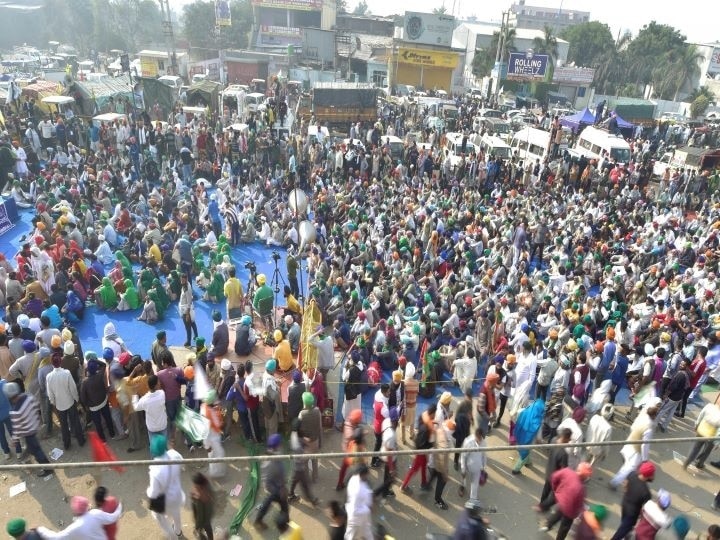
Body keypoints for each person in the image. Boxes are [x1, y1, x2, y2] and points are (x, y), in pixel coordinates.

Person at [3, 382, 52, 477]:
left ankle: (48, 469)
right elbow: (37, 406)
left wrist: (14, 440)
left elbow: (16, 429)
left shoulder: (15, 411)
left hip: (28, 433)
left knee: (37, 451)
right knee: (34, 448)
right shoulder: (28, 397)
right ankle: (34, 461)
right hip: (35, 427)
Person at [536, 462, 593, 540]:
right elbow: (579, 504)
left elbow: (554, 477)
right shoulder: (581, 489)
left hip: (561, 502)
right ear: (585, 477)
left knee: (556, 515)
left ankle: (547, 525)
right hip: (570, 512)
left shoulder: (567, 472)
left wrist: (556, 489)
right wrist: (578, 513)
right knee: (564, 527)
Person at [147, 434, 186, 538]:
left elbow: (153, 493)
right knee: (176, 514)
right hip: (177, 495)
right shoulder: (174, 454)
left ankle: (173, 537)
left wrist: (148, 491)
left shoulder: (155, 470)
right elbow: (183, 465)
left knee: (159, 518)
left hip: (165, 502)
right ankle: (178, 531)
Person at [45, 352, 85, 450]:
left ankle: (66, 444)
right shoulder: (66, 373)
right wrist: (77, 399)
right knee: (75, 421)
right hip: (70, 402)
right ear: (60, 362)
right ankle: (81, 440)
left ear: (52, 363)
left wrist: (53, 403)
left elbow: (50, 393)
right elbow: (73, 388)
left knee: (64, 425)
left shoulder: (49, 377)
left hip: (59, 405)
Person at [36, 495, 123, 539]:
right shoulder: (95, 514)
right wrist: (119, 506)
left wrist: (41, 529)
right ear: (87, 506)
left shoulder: (75, 527)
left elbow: (57, 538)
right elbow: (113, 518)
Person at [610, 461, 656, 540]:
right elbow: (645, 509)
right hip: (632, 514)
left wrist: (629, 494)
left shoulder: (632, 474)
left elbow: (625, 485)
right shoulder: (646, 492)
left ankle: (627, 535)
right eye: (653, 474)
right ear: (648, 475)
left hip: (624, 504)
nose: (654, 476)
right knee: (621, 531)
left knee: (624, 525)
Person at [254, 433, 289, 531]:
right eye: (280, 443)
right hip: (276, 487)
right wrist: (282, 488)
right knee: (283, 504)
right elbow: (279, 473)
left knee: (268, 502)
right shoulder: (274, 461)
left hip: (271, 485)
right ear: (277, 445)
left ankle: (258, 520)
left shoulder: (269, 454)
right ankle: (284, 522)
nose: (281, 445)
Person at [288, 418, 319, 506]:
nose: (303, 428)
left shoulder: (294, 433)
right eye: (301, 426)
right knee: (304, 483)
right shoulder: (296, 446)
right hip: (299, 466)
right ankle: (312, 500)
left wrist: (305, 441)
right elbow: (302, 457)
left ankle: (290, 495)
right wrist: (309, 451)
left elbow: (301, 438)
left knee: (294, 480)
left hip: (296, 465)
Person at [683, 402, 720, 470]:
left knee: (695, 448)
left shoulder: (709, 406)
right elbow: (719, 431)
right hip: (711, 435)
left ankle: (687, 462)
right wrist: (717, 442)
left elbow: (700, 416)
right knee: (706, 451)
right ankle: (699, 463)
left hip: (701, 430)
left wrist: (696, 425)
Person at [298, 391, 322, 482]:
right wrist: (320, 442)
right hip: (315, 441)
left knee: (305, 462)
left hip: (306, 443)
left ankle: (307, 478)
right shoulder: (317, 411)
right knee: (314, 460)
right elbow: (320, 428)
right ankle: (315, 478)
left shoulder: (302, 414)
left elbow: (299, 430)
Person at [344, 464, 373, 540]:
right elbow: (370, 505)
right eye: (366, 474)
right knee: (365, 531)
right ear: (363, 474)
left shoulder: (353, 479)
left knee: (350, 534)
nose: (367, 476)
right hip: (360, 514)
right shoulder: (364, 490)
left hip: (352, 512)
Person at [459, 426, 487, 500]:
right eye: (479, 438)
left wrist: (484, 466)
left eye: (481, 438)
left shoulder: (483, 442)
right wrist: (463, 469)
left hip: (477, 467)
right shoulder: (468, 442)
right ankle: (462, 487)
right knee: (463, 478)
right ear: (476, 435)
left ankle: (472, 500)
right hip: (467, 466)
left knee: (475, 484)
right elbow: (463, 456)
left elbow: (484, 455)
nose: (480, 440)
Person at [191, 472, 215, 540]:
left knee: (199, 532)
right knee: (208, 528)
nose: (194, 486)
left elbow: (200, 516)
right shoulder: (207, 485)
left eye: (195, 485)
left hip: (202, 519)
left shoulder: (199, 498)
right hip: (208, 514)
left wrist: (197, 527)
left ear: (199, 485)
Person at [179, 273, 198, 347]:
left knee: (187, 326)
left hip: (186, 310)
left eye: (183, 280)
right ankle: (196, 335)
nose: (181, 281)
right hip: (186, 308)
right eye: (181, 279)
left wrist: (187, 314)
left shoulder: (187, 289)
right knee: (192, 323)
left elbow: (189, 301)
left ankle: (188, 341)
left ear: (186, 279)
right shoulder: (186, 285)